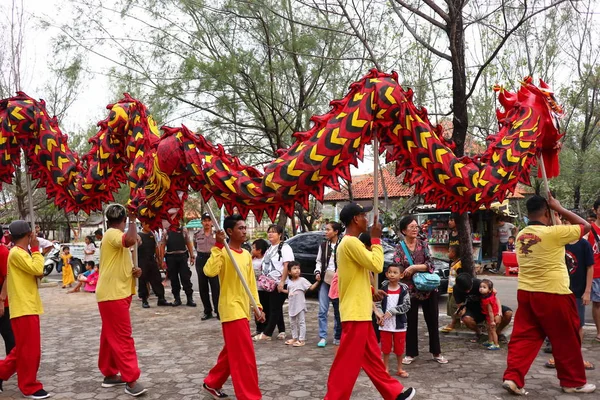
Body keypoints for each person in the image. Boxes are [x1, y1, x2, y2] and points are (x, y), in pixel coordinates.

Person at [502, 194, 596, 395]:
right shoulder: (554, 232)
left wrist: (553, 211)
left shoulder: (521, 235)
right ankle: (573, 382)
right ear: (547, 212)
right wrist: (560, 208)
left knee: (523, 338)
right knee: (567, 339)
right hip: (554, 293)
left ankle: (513, 378)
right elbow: (585, 226)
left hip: (527, 292)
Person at [324, 202, 415, 400]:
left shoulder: (349, 243)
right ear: (355, 219)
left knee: (373, 359)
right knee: (346, 363)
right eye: (364, 215)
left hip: (360, 310)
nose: (367, 219)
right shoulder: (351, 242)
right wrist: (376, 238)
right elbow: (376, 264)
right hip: (355, 312)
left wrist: (371, 291)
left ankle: (394, 393)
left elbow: (355, 277)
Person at [202, 214, 265, 400]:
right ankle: (250, 396)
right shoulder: (222, 251)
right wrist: (218, 246)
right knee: (244, 357)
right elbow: (209, 271)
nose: (244, 231)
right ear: (229, 231)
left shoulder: (246, 254)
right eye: (240, 228)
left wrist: (257, 306)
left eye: (245, 227)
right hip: (231, 309)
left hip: (243, 309)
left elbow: (251, 283)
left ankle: (212, 383)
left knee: (232, 352)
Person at [96, 204, 147, 397]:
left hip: (116, 293)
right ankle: (131, 380)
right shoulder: (112, 234)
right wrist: (134, 220)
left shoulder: (113, 236)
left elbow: (131, 246)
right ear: (124, 220)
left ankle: (109, 373)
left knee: (110, 336)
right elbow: (131, 239)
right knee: (123, 338)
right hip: (112, 295)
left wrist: (133, 271)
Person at [0, 220, 50, 399]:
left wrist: (37, 253)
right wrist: (36, 250)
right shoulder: (16, 253)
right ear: (29, 235)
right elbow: (37, 268)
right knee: (30, 351)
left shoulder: (21, 252)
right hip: (23, 307)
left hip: (27, 306)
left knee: (21, 350)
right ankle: (29, 385)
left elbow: (37, 272)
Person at [394, 215, 447, 365]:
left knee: (433, 320)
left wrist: (414, 267)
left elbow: (431, 264)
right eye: (411, 227)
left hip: (428, 288)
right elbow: (397, 267)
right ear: (404, 230)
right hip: (410, 290)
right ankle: (411, 353)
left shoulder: (423, 244)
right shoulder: (399, 247)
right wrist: (402, 272)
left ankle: (436, 352)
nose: (415, 229)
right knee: (410, 322)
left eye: (416, 227)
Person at [546, 219, 595, 370]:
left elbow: (590, 268)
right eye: (565, 223)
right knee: (559, 324)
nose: (567, 226)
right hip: (560, 290)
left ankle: (577, 357)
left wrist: (587, 291)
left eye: (570, 223)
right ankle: (557, 356)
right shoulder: (559, 243)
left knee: (578, 325)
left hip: (578, 292)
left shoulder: (584, 245)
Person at [254, 224, 293, 342]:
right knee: (273, 307)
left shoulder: (285, 248)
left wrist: (282, 282)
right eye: (269, 232)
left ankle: (267, 333)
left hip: (279, 283)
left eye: (273, 232)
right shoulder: (270, 248)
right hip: (268, 284)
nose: (270, 234)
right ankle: (280, 330)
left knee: (275, 308)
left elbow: (287, 265)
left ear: (280, 234)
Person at [374, 263, 411, 378]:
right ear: (386, 274)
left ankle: (400, 369)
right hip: (385, 324)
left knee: (399, 348)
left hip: (399, 324)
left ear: (401, 275)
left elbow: (407, 305)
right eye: (390, 272)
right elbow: (377, 303)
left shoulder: (404, 289)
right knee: (385, 347)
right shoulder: (383, 288)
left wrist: (393, 311)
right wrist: (379, 315)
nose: (392, 275)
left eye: (395, 273)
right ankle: (386, 368)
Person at [453, 274, 513, 342]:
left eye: (469, 288)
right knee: (466, 319)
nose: (468, 291)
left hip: (490, 307)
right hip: (474, 309)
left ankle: (498, 332)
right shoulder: (456, 289)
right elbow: (460, 305)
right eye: (465, 290)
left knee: (508, 313)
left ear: (471, 282)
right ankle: (478, 332)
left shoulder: (480, 283)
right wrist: (461, 313)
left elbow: (495, 297)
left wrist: (499, 313)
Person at [314, 221, 343, 347]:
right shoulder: (323, 246)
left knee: (338, 310)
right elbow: (319, 261)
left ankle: (338, 335)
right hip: (326, 279)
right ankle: (323, 336)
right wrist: (318, 271)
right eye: (325, 229)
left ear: (336, 231)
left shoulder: (342, 245)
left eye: (328, 229)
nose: (326, 232)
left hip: (339, 280)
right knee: (322, 309)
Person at [282, 261, 319, 347]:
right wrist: (282, 290)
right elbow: (290, 292)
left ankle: (301, 339)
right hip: (292, 305)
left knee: (301, 322)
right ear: (289, 272)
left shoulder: (302, 280)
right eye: (294, 268)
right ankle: (294, 337)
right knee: (292, 323)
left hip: (300, 305)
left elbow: (311, 287)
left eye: (298, 268)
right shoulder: (289, 282)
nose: (297, 270)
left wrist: (317, 282)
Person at [160, 223, 196, 307]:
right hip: (171, 257)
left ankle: (189, 299)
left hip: (182, 257)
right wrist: (161, 260)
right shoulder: (166, 231)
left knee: (186, 278)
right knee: (174, 279)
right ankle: (177, 299)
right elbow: (162, 246)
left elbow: (188, 242)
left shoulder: (183, 230)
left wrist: (192, 256)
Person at [138, 222, 172, 308]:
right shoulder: (138, 236)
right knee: (143, 280)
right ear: (143, 224)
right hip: (142, 260)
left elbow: (156, 247)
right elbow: (134, 250)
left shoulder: (152, 234)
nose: (149, 225)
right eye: (147, 224)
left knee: (156, 279)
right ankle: (144, 300)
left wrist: (160, 260)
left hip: (152, 260)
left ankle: (161, 299)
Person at [194, 213, 220, 320]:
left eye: (209, 220)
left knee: (215, 287)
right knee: (203, 287)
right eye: (204, 220)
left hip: (212, 259)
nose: (207, 223)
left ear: (212, 222)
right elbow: (195, 245)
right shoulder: (197, 234)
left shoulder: (217, 234)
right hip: (201, 259)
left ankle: (218, 311)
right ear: (202, 222)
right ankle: (207, 311)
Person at [586, 199, 600, 342]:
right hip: (595, 271)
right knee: (597, 302)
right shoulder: (589, 229)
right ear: (595, 210)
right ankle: (599, 331)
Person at [440, 245, 463, 333]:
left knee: (454, 306)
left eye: (449, 251)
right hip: (450, 288)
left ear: (453, 253)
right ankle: (455, 322)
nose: (448, 253)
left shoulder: (459, 265)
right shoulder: (453, 263)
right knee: (450, 305)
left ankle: (454, 323)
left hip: (456, 290)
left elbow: (460, 277)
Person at [0, 226, 15, 357]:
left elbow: (7, 277)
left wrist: (1, 301)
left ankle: (10, 364)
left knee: (8, 334)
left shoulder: (3, 252)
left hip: (3, 302)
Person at [251, 238, 269, 336]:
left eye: (254, 248)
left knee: (264, 308)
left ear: (260, 250)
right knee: (256, 309)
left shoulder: (265, 260)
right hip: (254, 288)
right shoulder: (251, 259)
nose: (252, 250)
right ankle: (258, 328)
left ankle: (265, 328)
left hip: (263, 288)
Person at [479, 279, 501, 350]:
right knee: (489, 329)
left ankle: (496, 344)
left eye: (484, 287)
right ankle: (490, 341)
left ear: (489, 290)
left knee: (493, 330)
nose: (481, 289)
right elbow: (495, 291)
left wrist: (492, 321)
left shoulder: (487, 300)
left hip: (492, 317)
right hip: (489, 316)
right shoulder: (490, 294)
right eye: (480, 287)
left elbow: (490, 312)